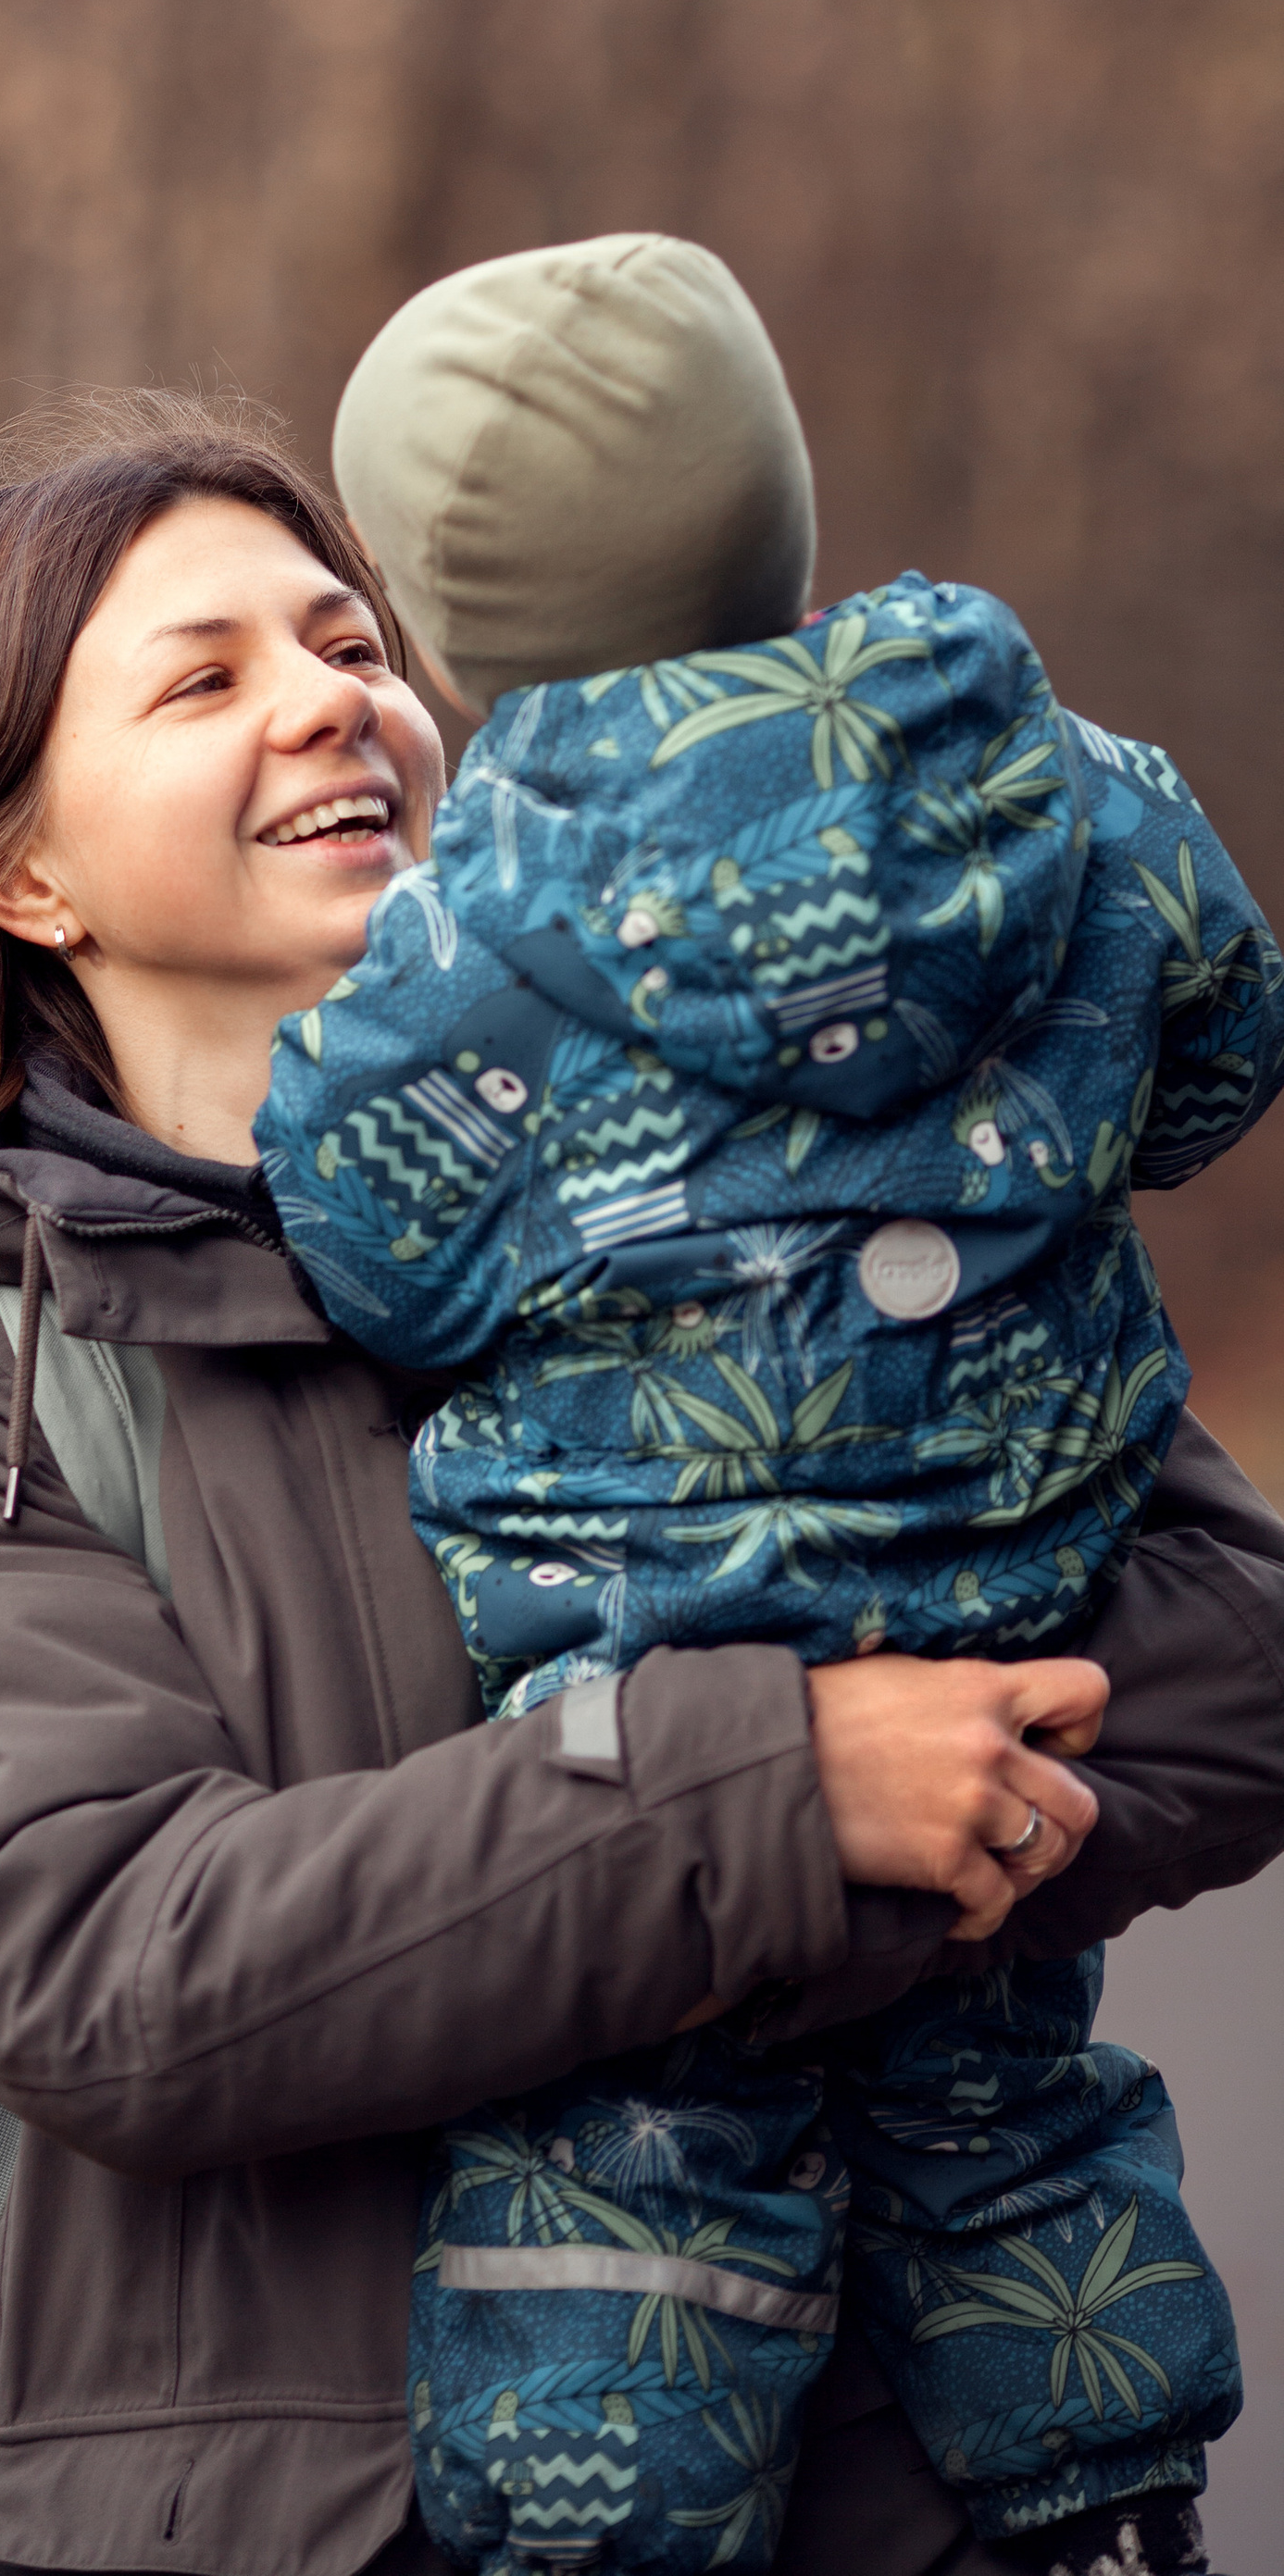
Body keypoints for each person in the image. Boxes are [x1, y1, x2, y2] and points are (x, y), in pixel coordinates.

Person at [0, 393, 1284, 2576]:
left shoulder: (763, 1159)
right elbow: (105, 1961)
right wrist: (767, 1805)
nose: (330, 703)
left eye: (347, 643)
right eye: (203, 678)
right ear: (26, 870)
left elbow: (1231, 1660)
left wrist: (866, 1807)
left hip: (906, 2489)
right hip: (292, 2519)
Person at [263, 241, 1283, 2575]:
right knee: (1011, 2101)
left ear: (437, 608)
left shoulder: (452, 946)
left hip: (669, 1708)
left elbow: (371, 1253)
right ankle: (1102, 2489)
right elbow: (1224, 1044)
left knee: (623, 2171)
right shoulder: (1071, 788)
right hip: (1028, 1606)